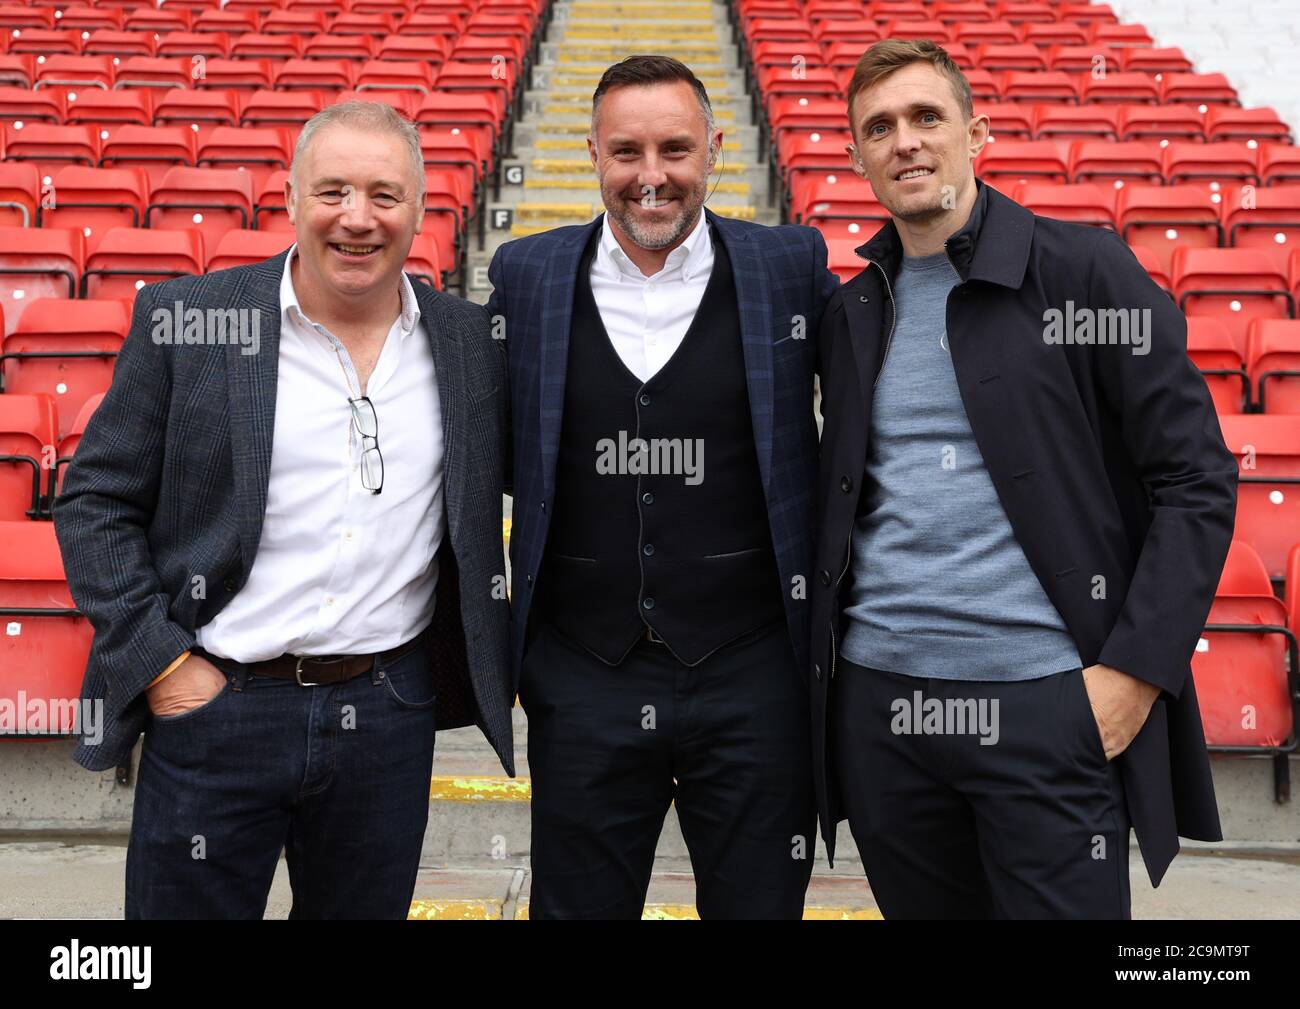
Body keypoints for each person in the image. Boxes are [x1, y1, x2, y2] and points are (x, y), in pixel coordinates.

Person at [53, 100, 514, 919]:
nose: (357, 218)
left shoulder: (469, 343)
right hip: (216, 707)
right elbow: (93, 499)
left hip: (386, 714)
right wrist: (161, 661)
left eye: (384, 194)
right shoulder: (191, 320)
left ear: (421, 206)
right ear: (291, 197)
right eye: (332, 191)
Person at [810, 39, 1238, 919]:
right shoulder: (852, 307)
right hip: (886, 712)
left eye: (927, 117)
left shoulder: (1086, 272)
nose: (906, 142)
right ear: (857, 157)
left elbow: (1195, 478)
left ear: (978, 131)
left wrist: (1133, 675)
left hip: (1046, 708)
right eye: (879, 128)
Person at [488, 55, 839, 918]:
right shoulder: (525, 275)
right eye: (627, 152)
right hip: (583, 673)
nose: (652, 178)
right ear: (593, 154)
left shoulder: (789, 266)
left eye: (676, 150)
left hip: (755, 671)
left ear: (716, 149)